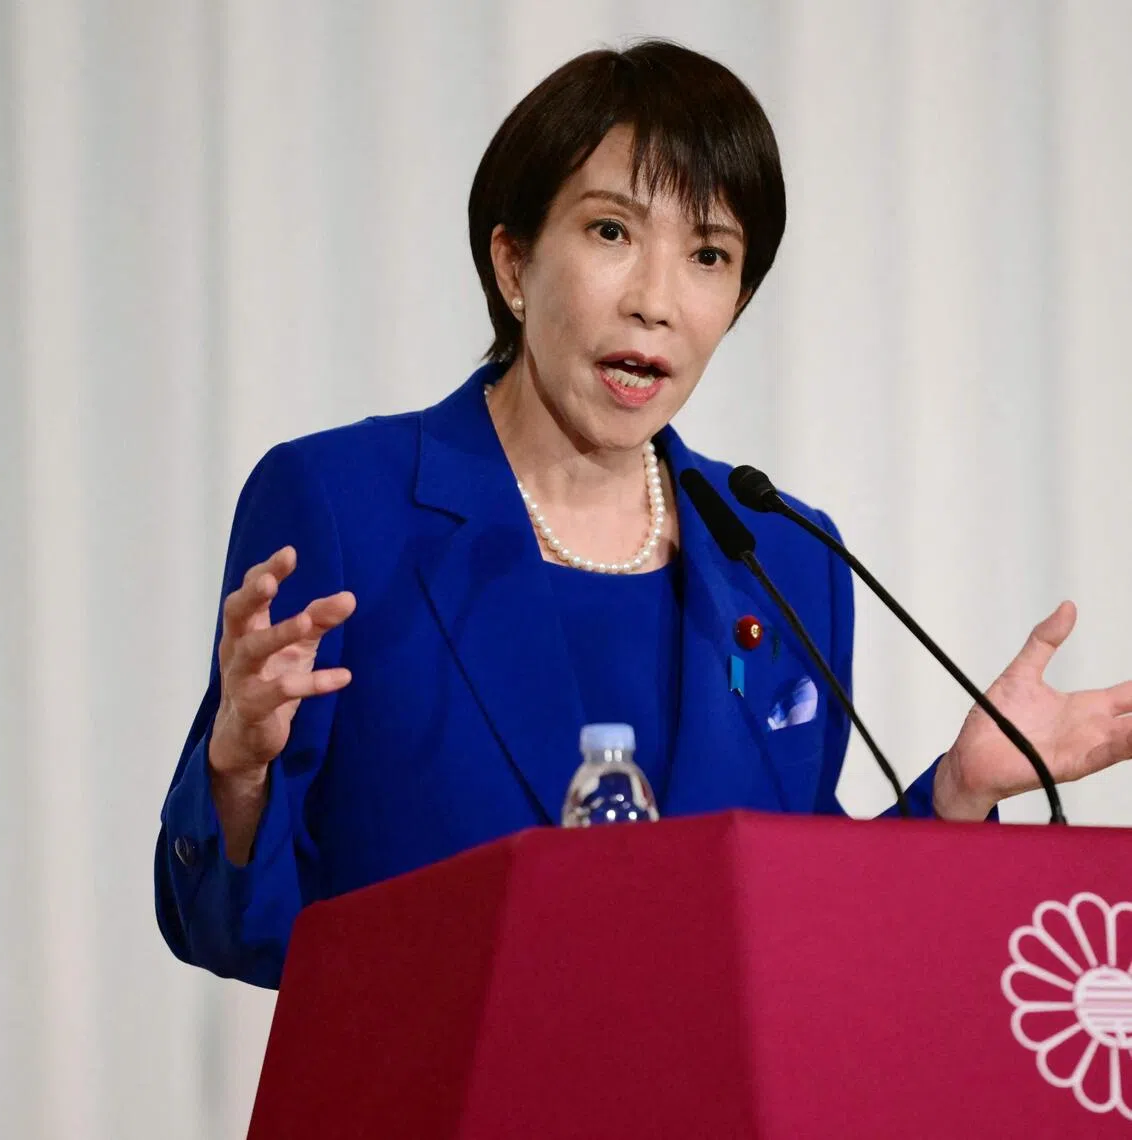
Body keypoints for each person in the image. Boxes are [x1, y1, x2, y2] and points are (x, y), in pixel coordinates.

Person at [155, 40, 1132, 990]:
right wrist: (236, 769)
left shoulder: (785, 558)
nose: (656, 301)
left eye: (708, 254)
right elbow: (236, 930)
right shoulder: (342, 505)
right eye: (612, 233)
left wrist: (958, 792)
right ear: (513, 263)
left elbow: (803, 929)